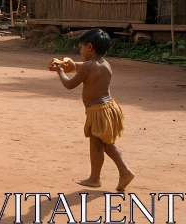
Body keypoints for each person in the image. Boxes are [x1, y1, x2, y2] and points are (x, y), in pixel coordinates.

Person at [49, 28, 135, 191]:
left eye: (80, 48)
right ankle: (95, 178)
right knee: (100, 143)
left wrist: (60, 71)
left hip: (98, 111)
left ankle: (123, 171)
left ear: (89, 47)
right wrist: (68, 64)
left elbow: (69, 84)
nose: (79, 51)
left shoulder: (88, 66)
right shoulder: (104, 63)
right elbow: (80, 66)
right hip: (108, 107)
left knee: (104, 144)